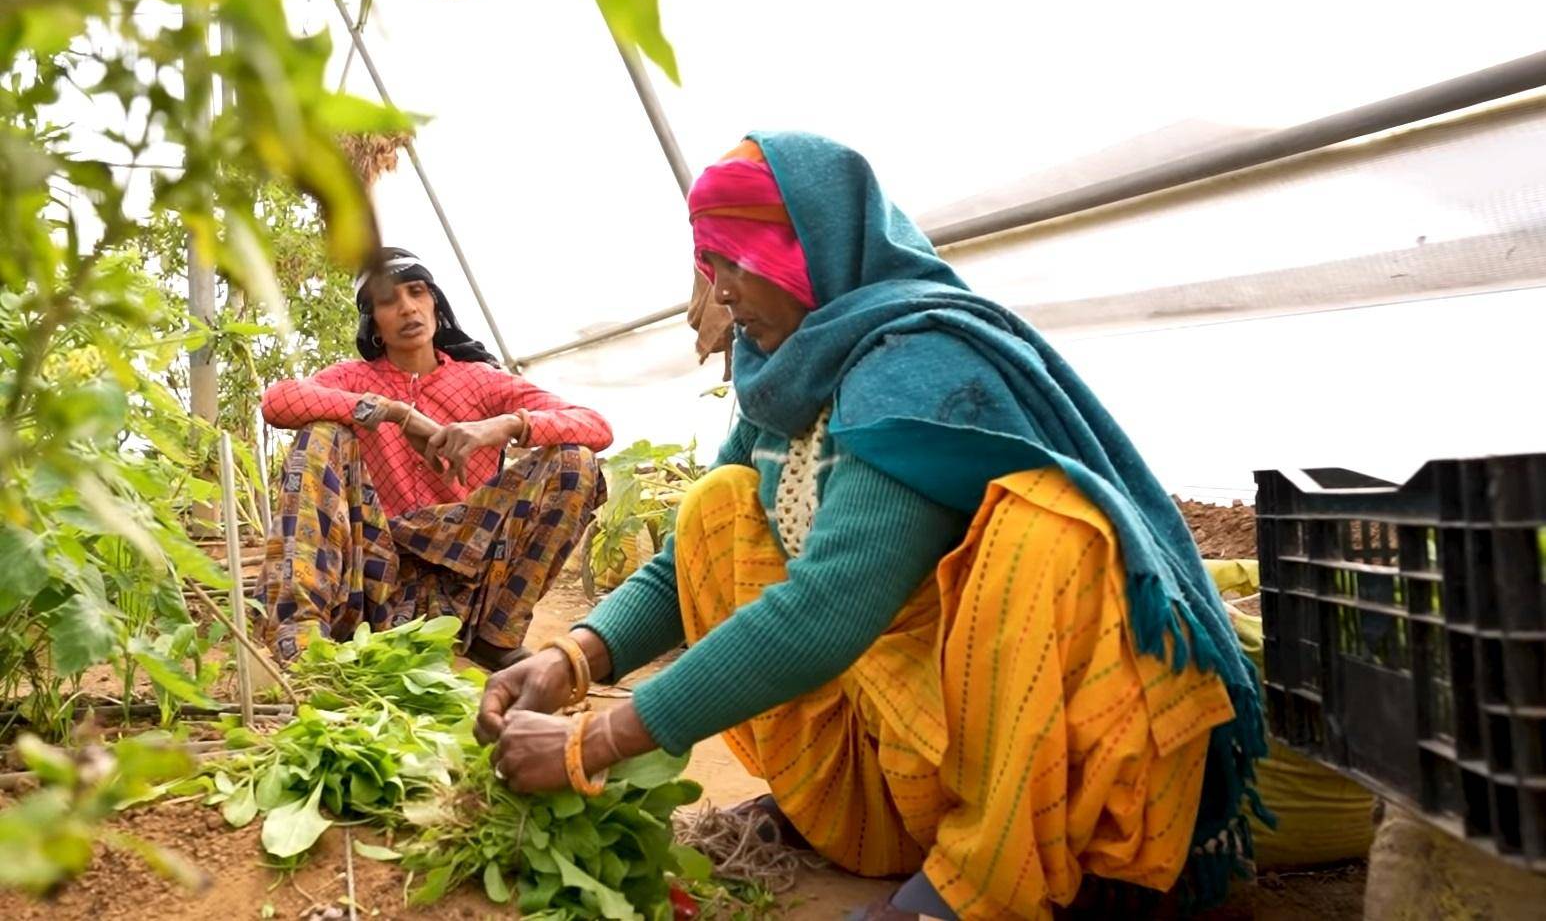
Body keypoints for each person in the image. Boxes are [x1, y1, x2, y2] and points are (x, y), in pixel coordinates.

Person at [475, 135, 1268, 919]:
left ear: (809, 252)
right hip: (910, 743)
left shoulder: (918, 364)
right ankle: (846, 819)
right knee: (717, 505)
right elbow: (683, 567)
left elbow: (829, 608)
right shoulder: (788, 373)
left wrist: (595, 742)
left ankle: (986, 881)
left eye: (737, 263)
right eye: (711, 268)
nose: (722, 298)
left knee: (1044, 532)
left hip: (1026, 765)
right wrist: (569, 658)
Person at [256, 248, 613, 670]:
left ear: (435, 303)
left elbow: (595, 426)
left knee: (576, 462)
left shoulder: (480, 380)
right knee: (321, 432)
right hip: (373, 565)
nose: (407, 308)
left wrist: (501, 427)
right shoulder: (354, 378)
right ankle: (302, 637)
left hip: (464, 560)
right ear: (373, 320)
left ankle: (495, 637)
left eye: (417, 292)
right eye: (389, 300)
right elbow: (278, 401)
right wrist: (394, 412)